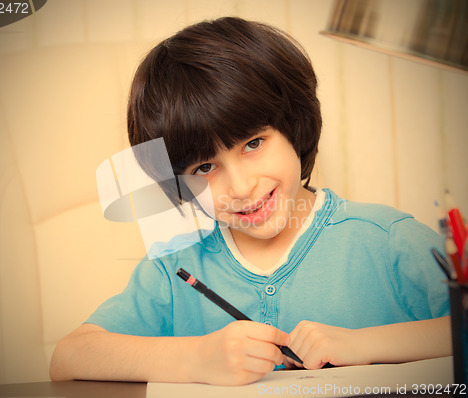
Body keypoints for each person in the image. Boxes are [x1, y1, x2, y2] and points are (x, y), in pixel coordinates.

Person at [49, 16, 451, 386]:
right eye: (204, 168)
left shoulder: (387, 240)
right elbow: (69, 358)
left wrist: (362, 345)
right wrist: (197, 358)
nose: (240, 187)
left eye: (253, 143)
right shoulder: (174, 270)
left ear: (294, 125)